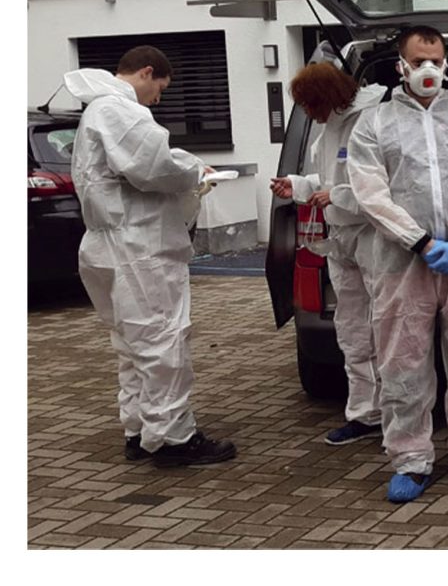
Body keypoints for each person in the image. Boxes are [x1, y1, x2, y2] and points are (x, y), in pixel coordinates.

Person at [348, 25, 448, 503]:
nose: (429, 69)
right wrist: (417, 240)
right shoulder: (374, 124)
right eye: (419, 61)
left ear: (446, 63)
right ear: (401, 66)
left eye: (436, 60)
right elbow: (369, 192)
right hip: (402, 263)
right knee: (402, 362)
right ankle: (411, 459)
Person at [64, 45, 237, 467]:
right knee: (162, 340)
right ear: (146, 72)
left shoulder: (98, 111)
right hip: (139, 248)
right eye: (161, 87)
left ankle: (140, 430)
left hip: (111, 245)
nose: (159, 98)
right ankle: (173, 439)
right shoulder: (118, 110)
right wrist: (195, 171)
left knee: (132, 344)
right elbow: (153, 165)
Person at [270, 63, 388, 446]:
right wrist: (298, 185)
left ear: (328, 97)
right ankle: (365, 414)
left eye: (310, 104)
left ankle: (401, 414)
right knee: (353, 330)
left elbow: (388, 186)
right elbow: (327, 178)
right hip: (342, 239)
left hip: (376, 236)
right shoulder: (328, 129)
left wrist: (336, 196)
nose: (308, 113)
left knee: (389, 327)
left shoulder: (372, 121)